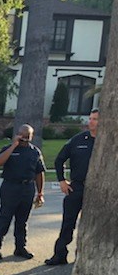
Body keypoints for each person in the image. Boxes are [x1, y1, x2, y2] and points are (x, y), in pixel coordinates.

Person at [45, 109, 98, 265]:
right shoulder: (78, 140)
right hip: (77, 187)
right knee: (68, 223)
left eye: (95, 119)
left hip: (98, 190)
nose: (91, 121)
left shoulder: (108, 141)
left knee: (92, 225)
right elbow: (59, 160)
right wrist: (62, 181)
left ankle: (84, 258)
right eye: (90, 118)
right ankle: (60, 255)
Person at [0, 124, 46, 260]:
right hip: (10, 187)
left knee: (22, 221)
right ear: (17, 134)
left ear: (31, 136)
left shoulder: (35, 152)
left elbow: (39, 173)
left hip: (27, 188)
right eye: (22, 135)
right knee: (5, 218)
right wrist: (13, 145)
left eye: (28, 136)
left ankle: (20, 248)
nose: (24, 138)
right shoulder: (8, 149)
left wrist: (40, 193)